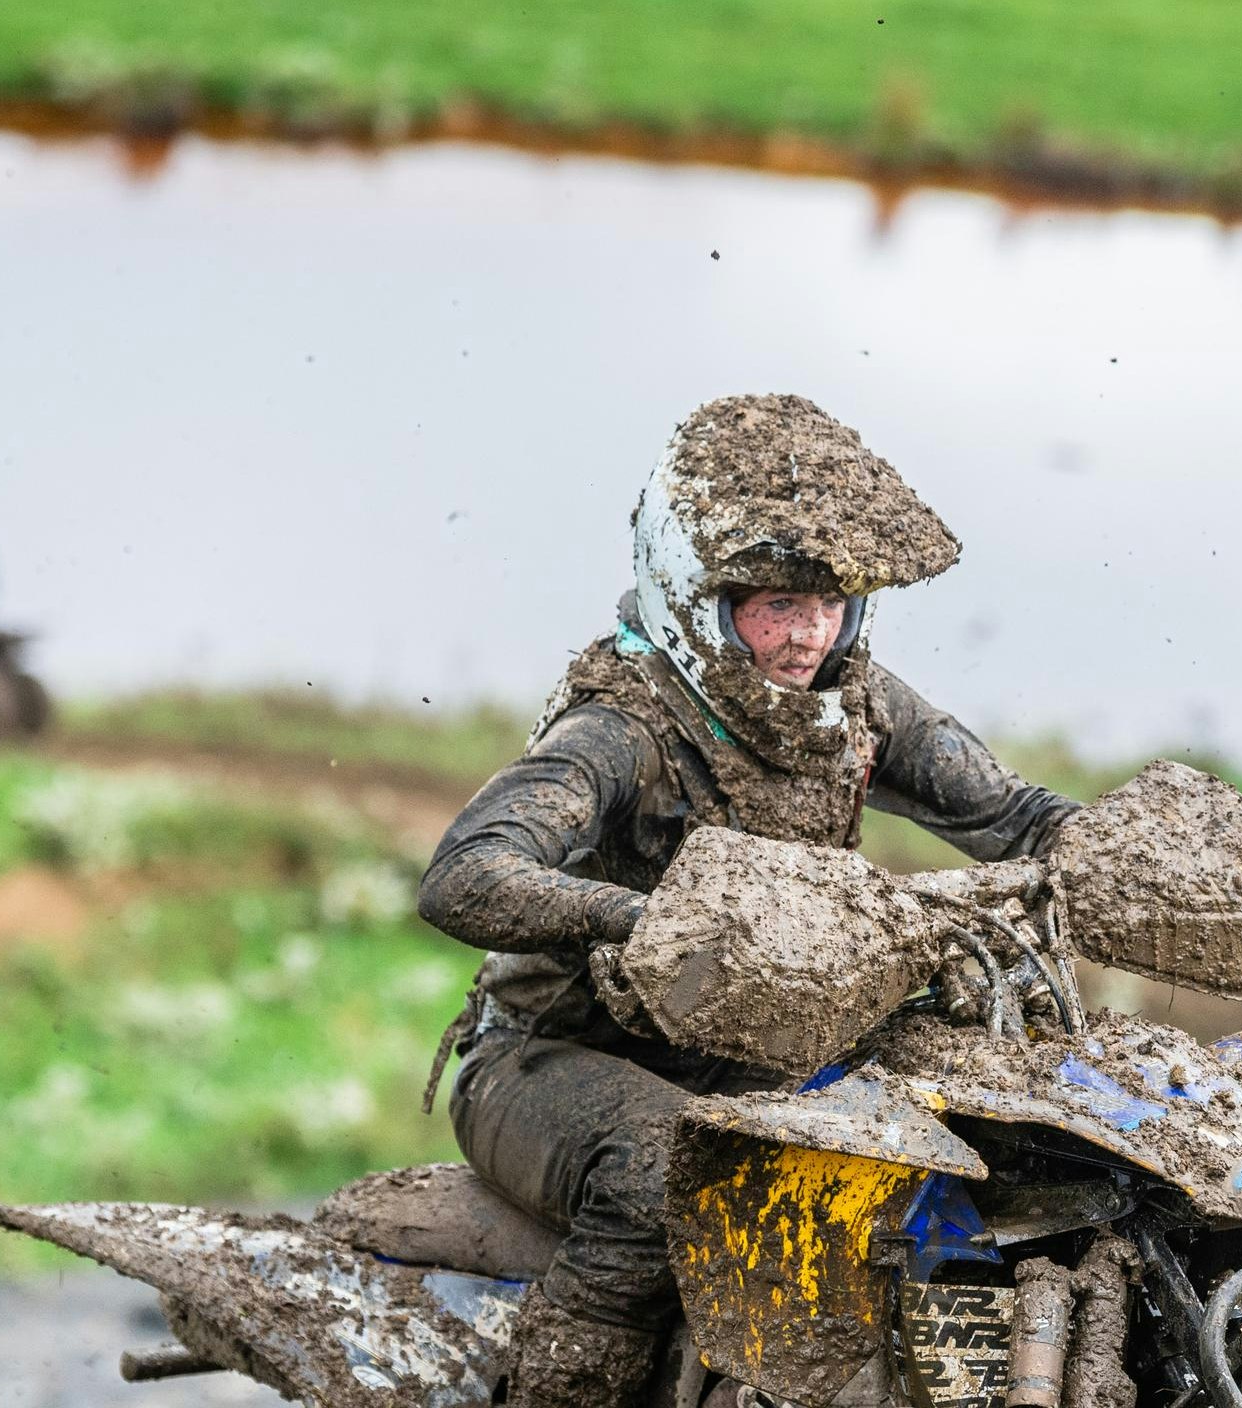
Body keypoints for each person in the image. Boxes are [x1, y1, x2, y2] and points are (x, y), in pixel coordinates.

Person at [416, 394, 1084, 1408]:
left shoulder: (858, 704)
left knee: (1004, 1113)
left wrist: (1119, 856)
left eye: (832, 602)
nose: (807, 632)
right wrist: (633, 918)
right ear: (700, 599)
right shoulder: (624, 729)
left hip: (757, 1053)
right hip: (555, 1059)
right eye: (775, 603)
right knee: (656, 1173)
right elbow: (466, 871)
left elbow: (1014, 812)